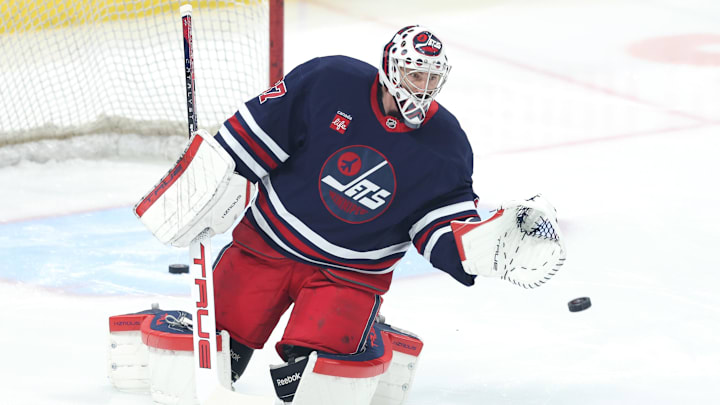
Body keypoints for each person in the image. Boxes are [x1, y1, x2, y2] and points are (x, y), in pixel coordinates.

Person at [136, 25, 565, 400]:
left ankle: (371, 333)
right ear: (390, 68)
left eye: (433, 77)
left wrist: (480, 248)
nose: (422, 87)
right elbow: (253, 137)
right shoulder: (328, 82)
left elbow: (438, 229)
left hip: (348, 277)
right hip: (266, 248)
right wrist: (207, 182)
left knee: (316, 385)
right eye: (415, 74)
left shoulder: (446, 144)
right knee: (216, 357)